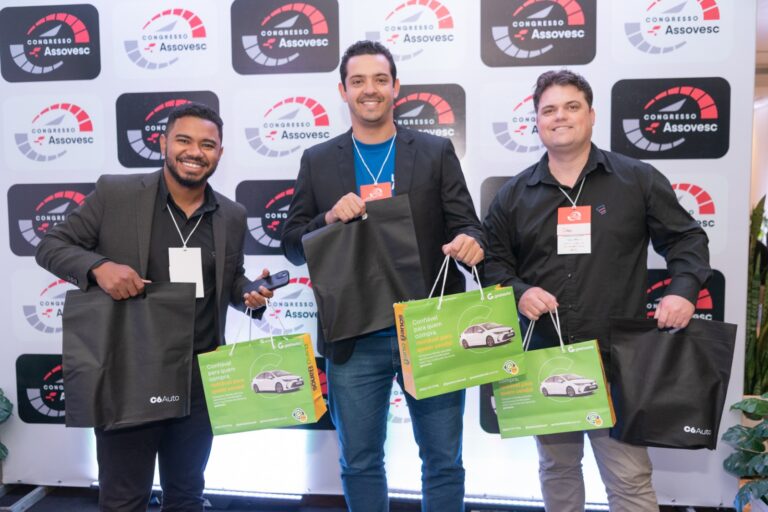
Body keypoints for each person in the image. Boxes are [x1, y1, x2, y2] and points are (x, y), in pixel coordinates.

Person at [482, 70, 711, 512]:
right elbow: (493, 264)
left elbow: (686, 238)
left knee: (629, 478)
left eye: (572, 106)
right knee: (557, 470)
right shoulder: (513, 195)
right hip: (547, 360)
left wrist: (683, 291)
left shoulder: (637, 179)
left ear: (591, 115)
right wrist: (518, 291)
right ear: (536, 121)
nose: (560, 116)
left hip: (618, 360)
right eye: (549, 110)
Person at [35, 102, 273, 511]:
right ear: (163, 143)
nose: (194, 152)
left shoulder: (232, 215)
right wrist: (99, 267)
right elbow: (51, 245)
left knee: (187, 496)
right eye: (183, 140)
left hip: (199, 379)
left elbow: (230, 281)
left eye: (207, 145)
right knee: (124, 499)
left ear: (219, 152)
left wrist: (249, 292)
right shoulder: (116, 194)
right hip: (130, 373)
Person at [281, 40, 484, 511]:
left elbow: (467, 224)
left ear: (396, 87)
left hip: (429, 330)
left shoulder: (434, 152)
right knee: (360, 462)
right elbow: (292, 245)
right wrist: (328, 217)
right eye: (357, 81)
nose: (368, 89)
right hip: (354, 335)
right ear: (343, 90)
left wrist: (470, 242)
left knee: (443, 461)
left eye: (379, 79)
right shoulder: (318, 159)